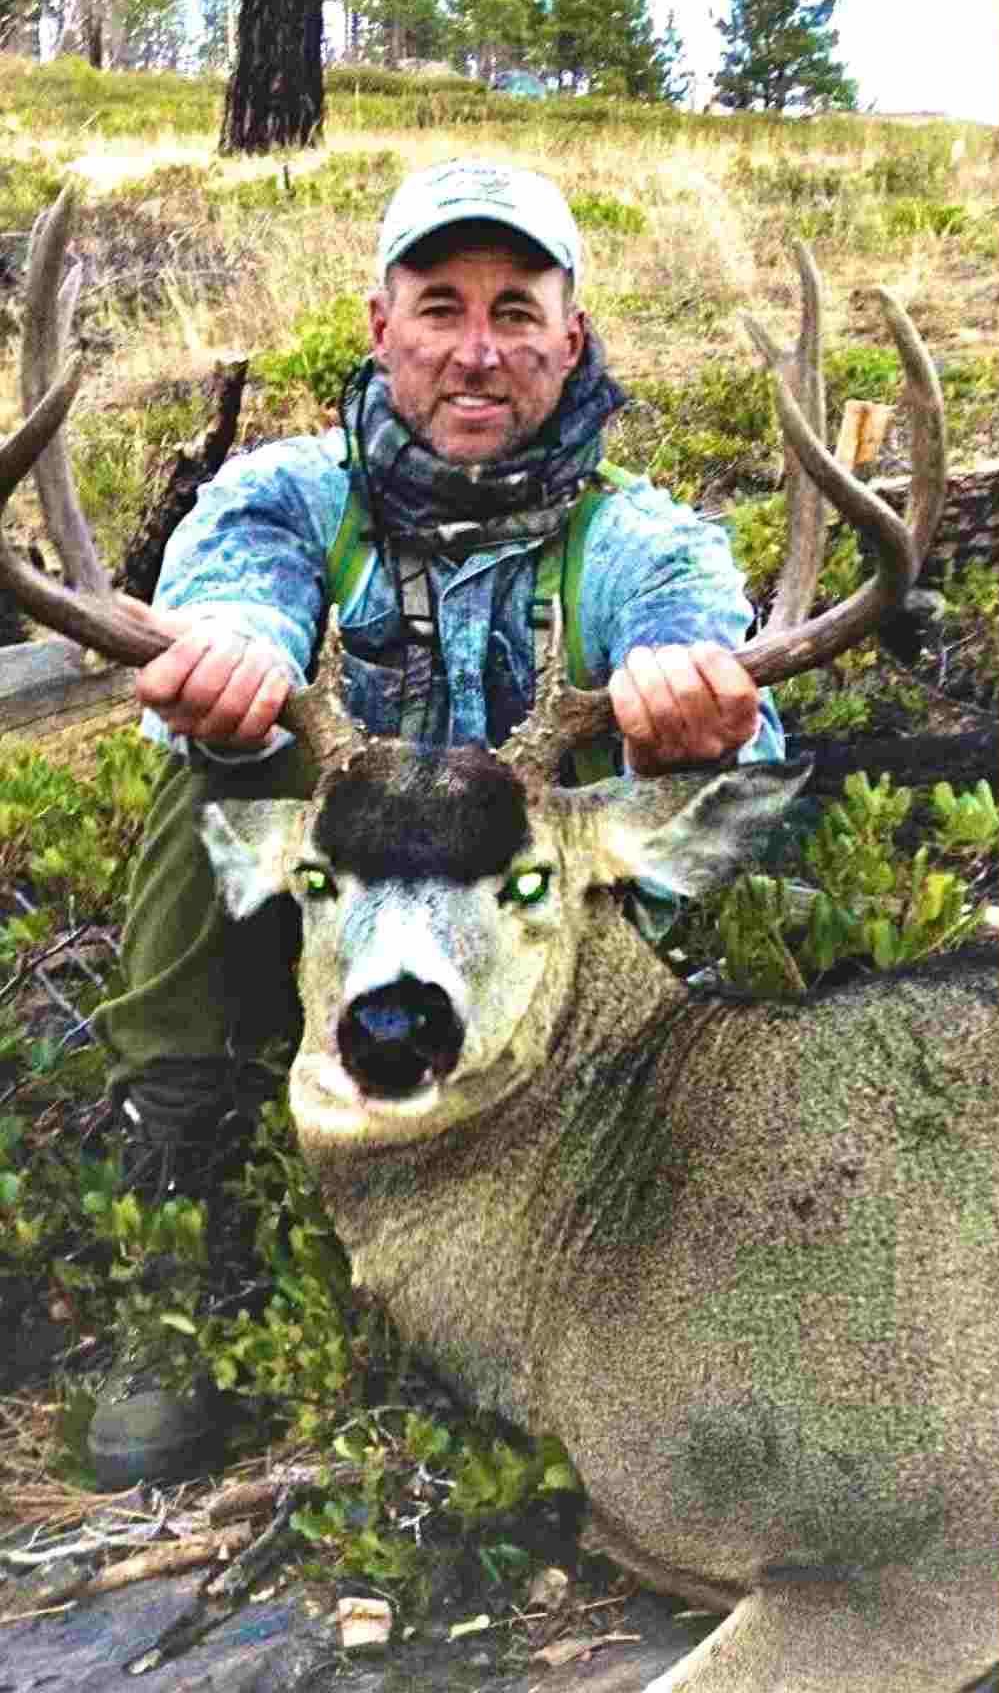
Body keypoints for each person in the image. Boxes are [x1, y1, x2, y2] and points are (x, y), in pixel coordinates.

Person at [88, 157, 782, 1486]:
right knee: (220, 785)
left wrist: (690, 711)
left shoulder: (638, 541)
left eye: (516, 311)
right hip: (339, 947)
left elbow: (724, 687)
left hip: (543, 978)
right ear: (378, 327)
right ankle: (183, 1268)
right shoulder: (288, 500)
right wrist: (231, 664)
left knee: (696, 805)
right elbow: (234, 598)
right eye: (440, 306)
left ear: (569, 339)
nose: (478, 351)